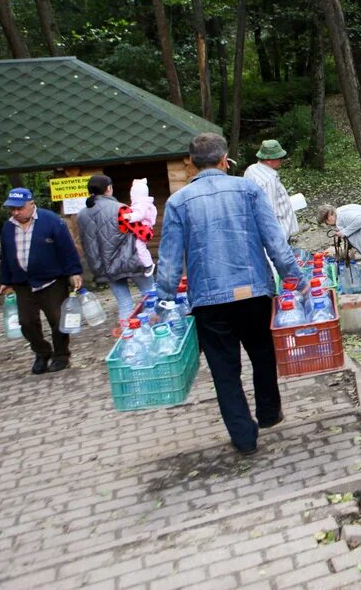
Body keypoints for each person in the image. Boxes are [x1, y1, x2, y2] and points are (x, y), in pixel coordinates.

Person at [157, 132, 302, 455]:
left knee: (224, 372)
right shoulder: (247, 189)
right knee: (263, 354)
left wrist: (163, 298)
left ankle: (243, 436)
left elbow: (168, 261)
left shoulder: (178, 202)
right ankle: (268, 412)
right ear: (224, 160)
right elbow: (275, 242)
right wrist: (296, 278)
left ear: (192, 165)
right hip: (253, 293)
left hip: (209, 301)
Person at [0, 187, 83, 374]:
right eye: (12, 209)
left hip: (51, 280)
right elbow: (6, 254)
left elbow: (67, 248)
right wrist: (6, 280)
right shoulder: (8, 226)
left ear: (31, 204)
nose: (16, 212)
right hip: (22, 282)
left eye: (19, 208)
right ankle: (42, 352)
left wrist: (74, 272)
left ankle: (61, 356)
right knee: (26, 322)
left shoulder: (50, 220)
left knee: (57, 319)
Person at [76, 174, 155, 319]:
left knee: (124, 304)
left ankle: (129, 336)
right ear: (109, 188)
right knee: (150, 296)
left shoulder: (81, 214)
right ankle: (154, 330)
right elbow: (143, 233)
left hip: (106, 267)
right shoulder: (120, 209)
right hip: (131, 261)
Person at [315, 203, 361, 293]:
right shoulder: (341, 214)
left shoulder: (342, 214)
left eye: (326, 222)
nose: (328, 225)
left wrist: (344, 232)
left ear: (329, 217)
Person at [243, 139, 299, 244]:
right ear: (269, 159)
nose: (281, 161)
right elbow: (269, 212)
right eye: (279, 158)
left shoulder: (251, 169)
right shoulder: (269, 180)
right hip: (278, 233)